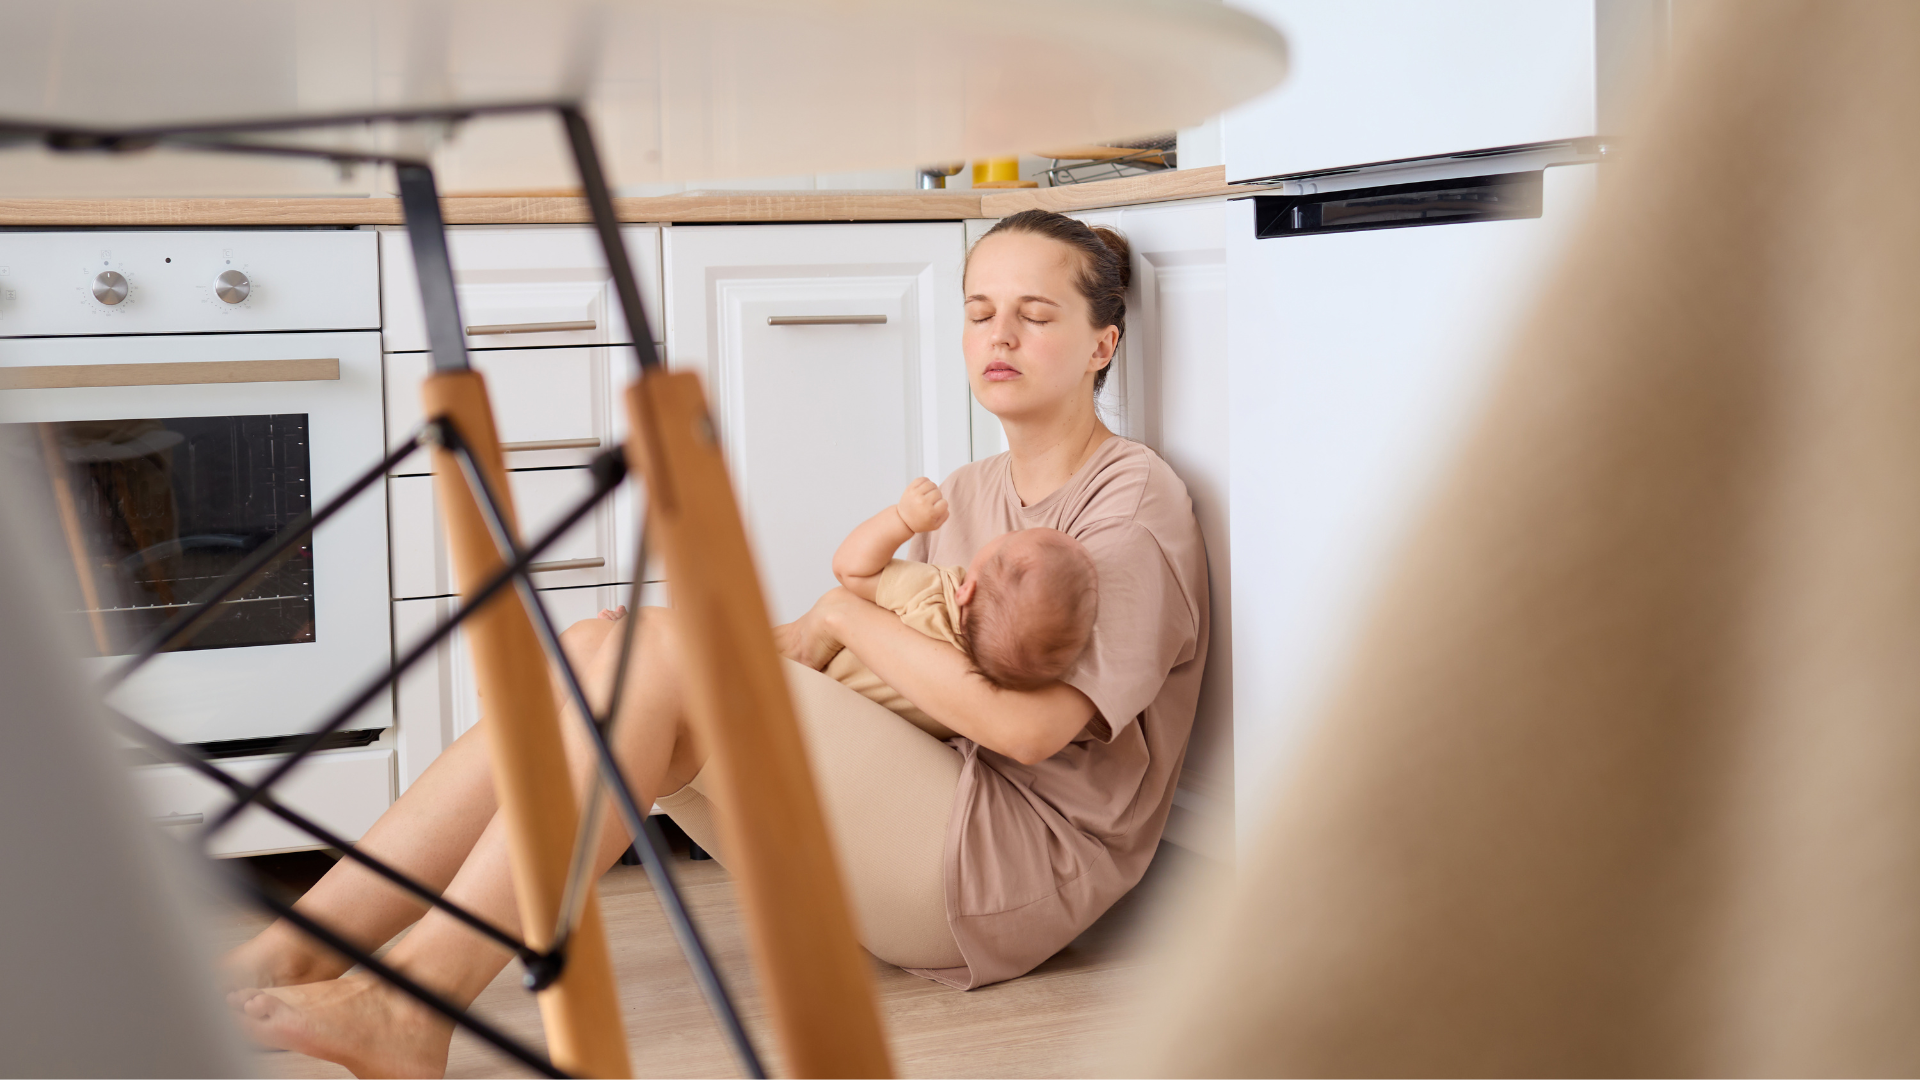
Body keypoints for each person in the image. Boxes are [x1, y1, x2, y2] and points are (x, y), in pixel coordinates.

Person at [225, 208, 1210, 1078]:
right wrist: (705, 643)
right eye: (979, 309)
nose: (999, 334)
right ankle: (302, 949)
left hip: (1005, 870)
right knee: (598, 653)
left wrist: (833, 618)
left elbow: (1030, 733)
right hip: (921, 819)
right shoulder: (969, 492)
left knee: (654, 655)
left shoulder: (1131, 501)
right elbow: (878, 672)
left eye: (1035, 315)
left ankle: (408, 1002)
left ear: (1100, 345)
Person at [820, 475, 1100, 738]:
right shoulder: (992, 686)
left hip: (818, 681)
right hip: (856, 728)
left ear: (966, 590)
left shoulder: (936, 593)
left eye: (1010, 538)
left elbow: (850, 569)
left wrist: (902, 519)